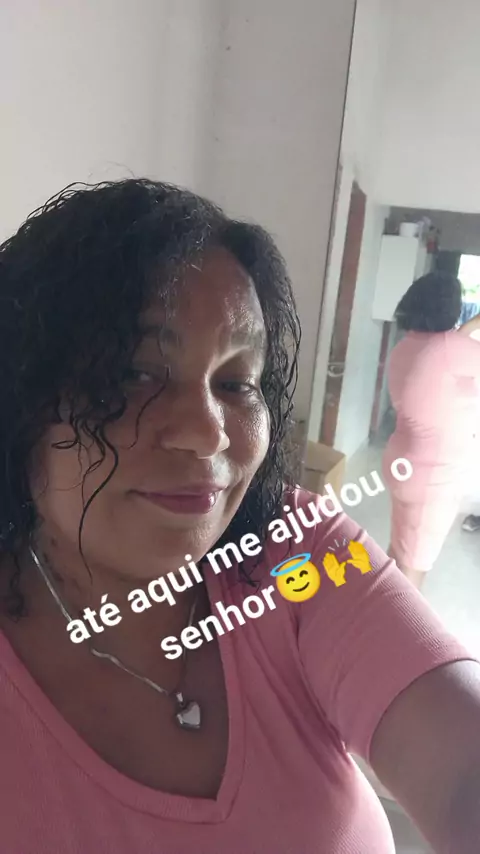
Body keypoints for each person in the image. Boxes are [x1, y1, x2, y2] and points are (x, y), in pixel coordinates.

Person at [0, 180, 479, 854]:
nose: (208, 433)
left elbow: (463, 772)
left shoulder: (294, 550)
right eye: (136, 375)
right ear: (22, 393)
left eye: (236, 383)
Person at [382, 272, 480, 589]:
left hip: (403, 465)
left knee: (399, 550)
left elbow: (448, 348)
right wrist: (472, 326)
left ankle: (380, 607)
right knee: (414, 566)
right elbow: (454, 347)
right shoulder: (453, 350)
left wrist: (471, 326)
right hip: (431, 479)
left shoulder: (406, 346)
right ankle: (399, 619)